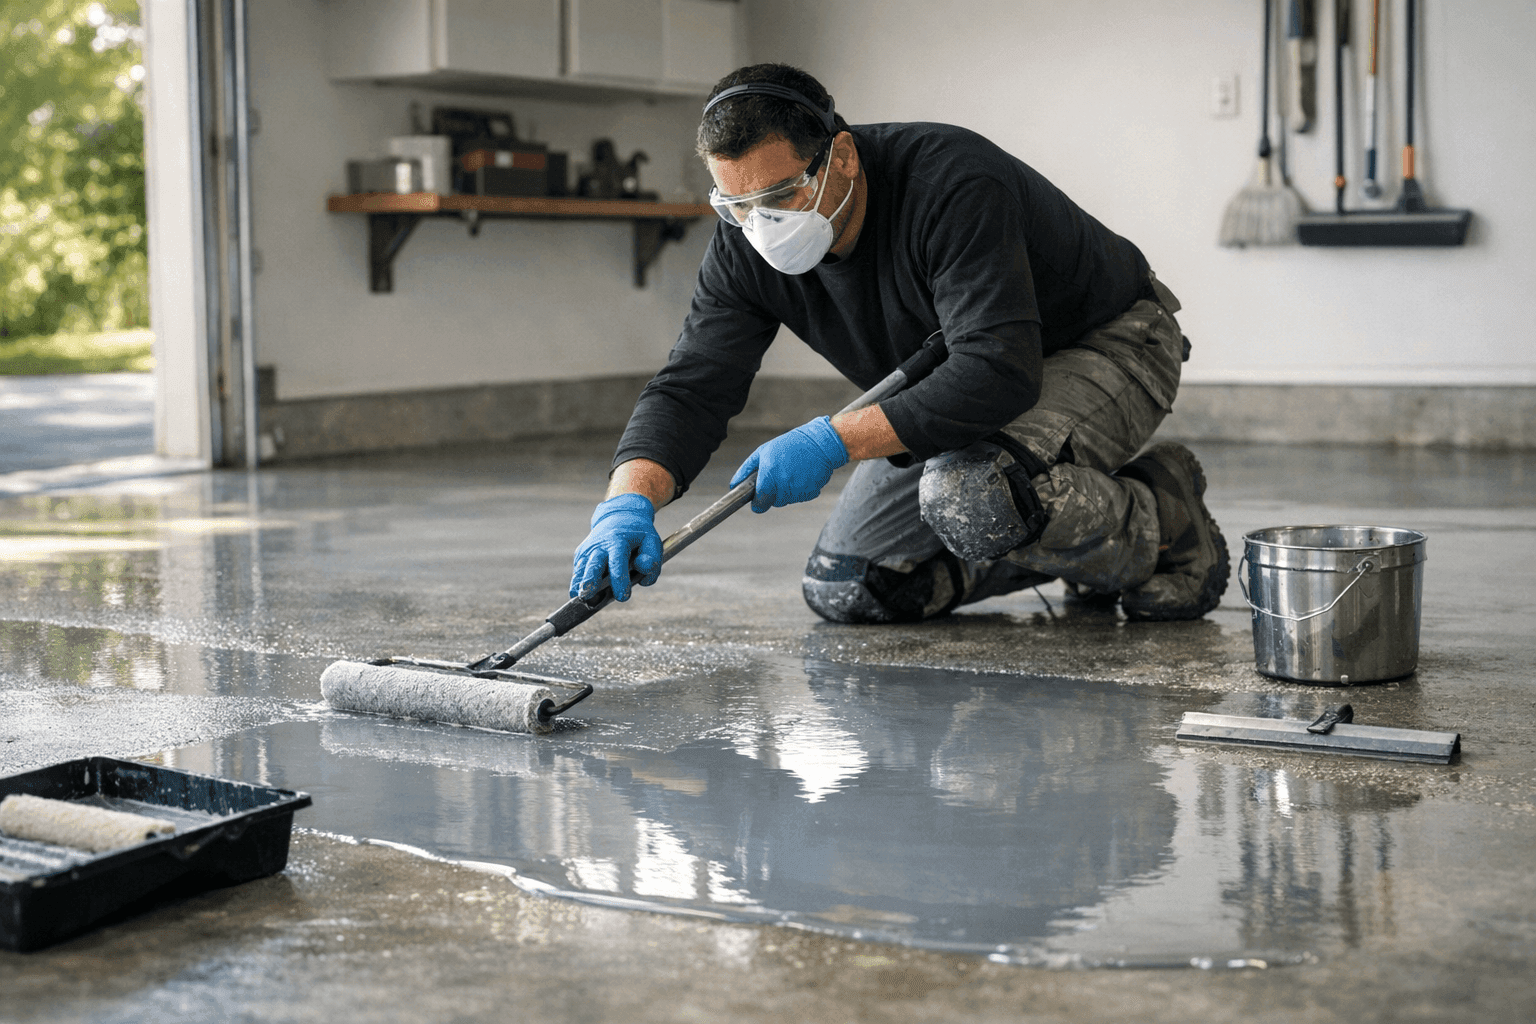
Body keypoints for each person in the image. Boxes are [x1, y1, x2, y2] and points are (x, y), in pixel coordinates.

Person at [569, 63, 1229, 625]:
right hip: (961, 383)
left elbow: (998, 370)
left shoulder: (952, 183)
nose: (759, 223)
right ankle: (1087, 547)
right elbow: (693, 384)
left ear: (844, 157)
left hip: (1110, 343)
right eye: (735, 205)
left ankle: (1162, 524)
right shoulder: (745, 244)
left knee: (973, 494)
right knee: (856, 585)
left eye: (782, 193)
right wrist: (627, 502)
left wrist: (834, 441)